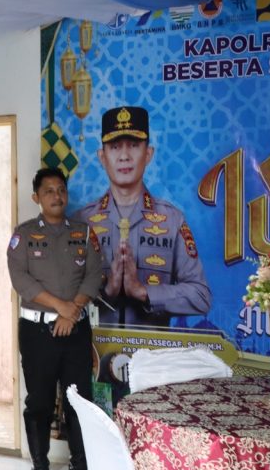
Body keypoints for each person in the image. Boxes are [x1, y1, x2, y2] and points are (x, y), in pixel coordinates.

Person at [7, 167, 102, 470]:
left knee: (80, 400)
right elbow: (20, 279)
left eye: (61, 189)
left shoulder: (83, 233)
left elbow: (94, 275)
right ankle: (40, 468)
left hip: (75, 331)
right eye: (49, 191)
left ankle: (81, 465)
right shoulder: (23, 235)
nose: (56, 196)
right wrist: (61, 307)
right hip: (37, 334)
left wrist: (71, 311)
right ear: (36, 197)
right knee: (40, 401)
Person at [75, 106, 211, 327]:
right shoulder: (81, 222)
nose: (124, 156)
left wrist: (144, 292)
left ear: (148, 154)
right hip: (93, 345)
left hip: (151, 347)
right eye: (115, 147)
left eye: (134, 146)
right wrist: (107, 290)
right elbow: (61, 292)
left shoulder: (172, 220)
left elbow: (201, 296)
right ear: (102, 157)